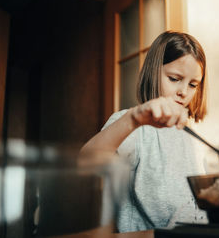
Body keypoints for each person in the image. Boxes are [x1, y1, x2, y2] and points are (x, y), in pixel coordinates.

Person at [81, 31, 209, 232]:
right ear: (152, 71)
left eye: (193, 85)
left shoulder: (190, 135)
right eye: (174, 79)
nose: (184, 92)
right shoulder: (134, 125)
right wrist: (133, 119)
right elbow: (85, 162)